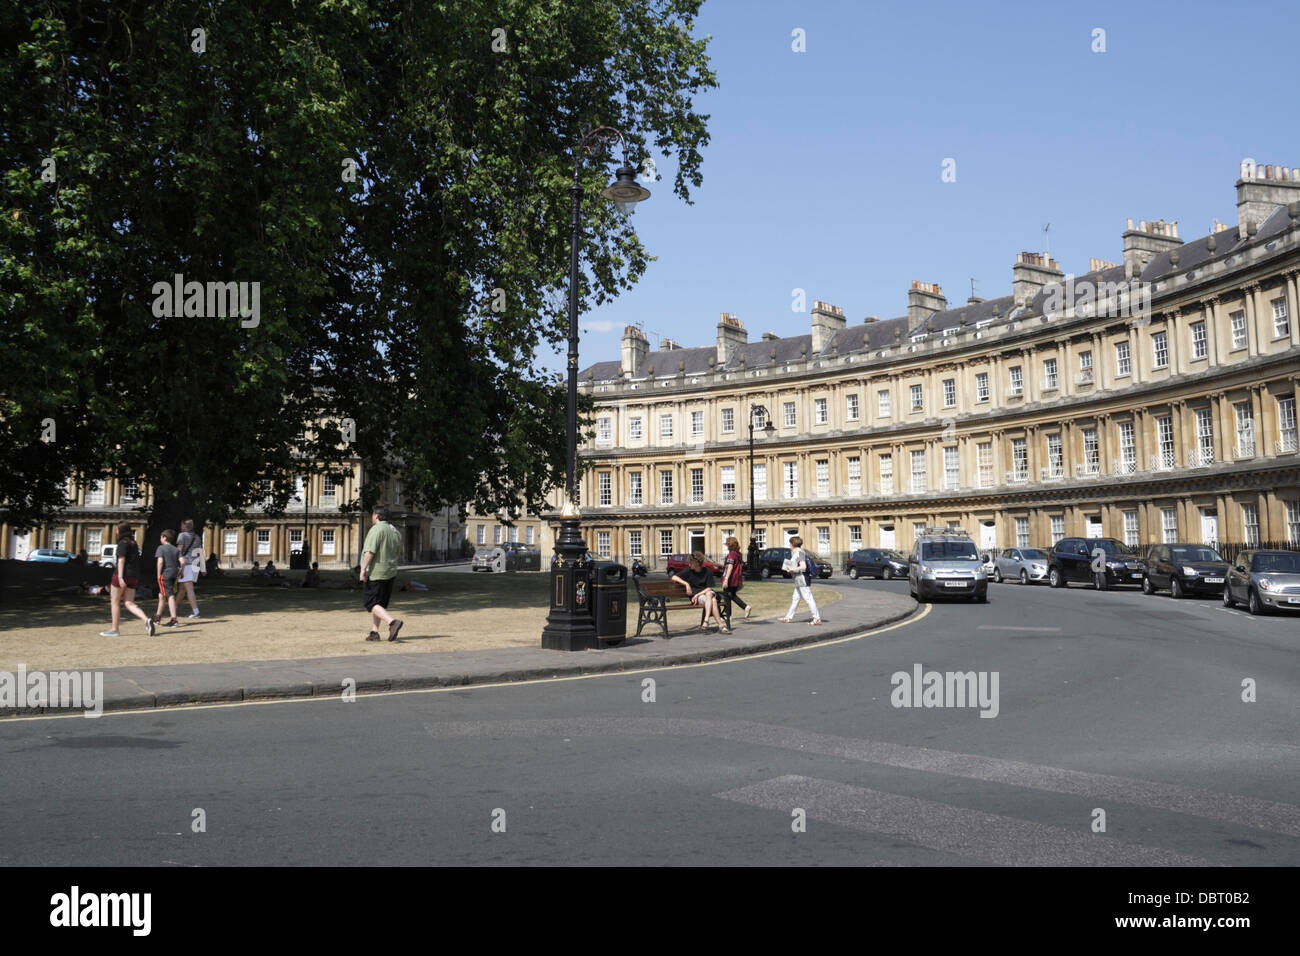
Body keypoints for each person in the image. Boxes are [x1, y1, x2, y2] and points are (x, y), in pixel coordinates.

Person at [360, 504, 404, 641]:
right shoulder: (395, 531)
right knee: (379, 603)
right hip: (390, 571)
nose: (372, 517)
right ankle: (375, 632)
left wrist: (363, 569)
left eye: (373, 514)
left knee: (371, 603)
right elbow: (398, 553)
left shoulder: (376, 529)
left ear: (377, 516)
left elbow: (370, 551)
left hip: (376, 572)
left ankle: (392, 622)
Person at [101, 523, 153, 637]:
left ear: (121, 531)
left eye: (117, 529)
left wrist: (120, 577)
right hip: (134, 576)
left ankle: (115, 629)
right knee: (129, 603)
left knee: (115, 602)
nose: (115, 532)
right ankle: (146, 620)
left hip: (123, 575)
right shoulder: (134, 543)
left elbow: (121, 560)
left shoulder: (122, 543)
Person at [671, 551, 730, 634]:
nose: (689, 564)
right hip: (699, 598)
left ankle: (706, 619)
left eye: (690, 563)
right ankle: (720, 625)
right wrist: (686, 584)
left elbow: (709, 588)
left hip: (703, 595)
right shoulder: (688, 571)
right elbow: (673, 577)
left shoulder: (707, 572)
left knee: (709, 594)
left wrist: (697, 594)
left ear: (696, 563)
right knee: (713, 600)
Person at [781, 536, 822, 625]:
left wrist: (792, 569)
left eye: (790, 544)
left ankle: (817, 618)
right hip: (799, 579)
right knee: (795, 598)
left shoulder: (799, 553)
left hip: (802, 578)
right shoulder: (796, 553)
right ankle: (788, 617)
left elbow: (803, 567)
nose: (789, 546)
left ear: (793, 544)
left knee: (808, 599)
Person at [175, 519, 204, 618]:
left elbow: (178, 551)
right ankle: (173, 607)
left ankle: (196, 612)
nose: (180, 527)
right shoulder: (197, 537)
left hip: (186, 564)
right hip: (195, 565)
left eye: (181, 525)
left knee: (189, 588)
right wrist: (203, 567)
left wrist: (174, 563)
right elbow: (200, 552)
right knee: (182, 589)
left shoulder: (182, 535)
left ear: (184, 526)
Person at [153, 528, 181, 628]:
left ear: (164, 537)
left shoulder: (161, 548)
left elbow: (160, 562)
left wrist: (158, 575)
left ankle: (174, 620)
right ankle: (157, 618)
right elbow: (183, 562)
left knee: (170, 596)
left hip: (166, 574)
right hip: (174, 574)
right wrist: (180, 573)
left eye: (161, 537)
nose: (160, 539)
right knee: (162, 595)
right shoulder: (176, 549)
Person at [721, 536, 751, 620]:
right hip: (736, 578)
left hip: (731, 578)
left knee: (727, 595)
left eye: (727, 544)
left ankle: (728, 616)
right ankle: (745, 607)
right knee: (731, 595)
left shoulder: (731, 555)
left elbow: (730, 567)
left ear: (729, 545)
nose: (726, 546)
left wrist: (726, 579)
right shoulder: (739, 554)